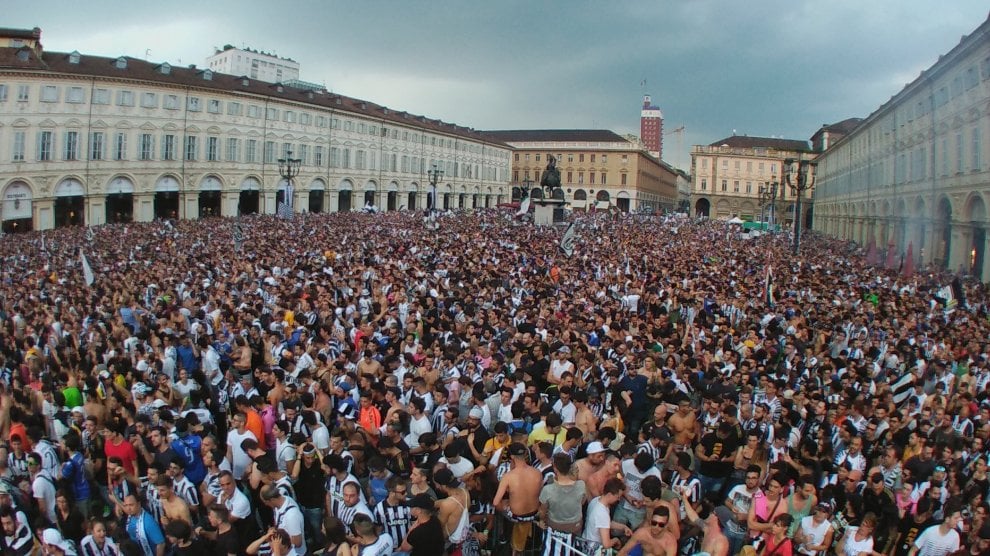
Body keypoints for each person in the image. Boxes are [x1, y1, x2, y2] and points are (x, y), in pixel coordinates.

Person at [492, 442, 543, 555]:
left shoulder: (508, 476)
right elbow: (540, 493)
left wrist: (505, 507)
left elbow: (496, 503)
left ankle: (504, 536)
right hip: (534, 513)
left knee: (503, 503)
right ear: (525, 454)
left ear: (512, 457)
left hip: (516, 516)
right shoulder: (537, 472)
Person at [583, 477, 631, 552]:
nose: (618, 499)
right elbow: (606, 544)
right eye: (617, 497)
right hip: (594, 549)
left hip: (585, 541)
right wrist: (616, 540)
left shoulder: (596, 501)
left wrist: (623, 527)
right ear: (609, 494)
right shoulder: (602, 513)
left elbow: (604, 523)